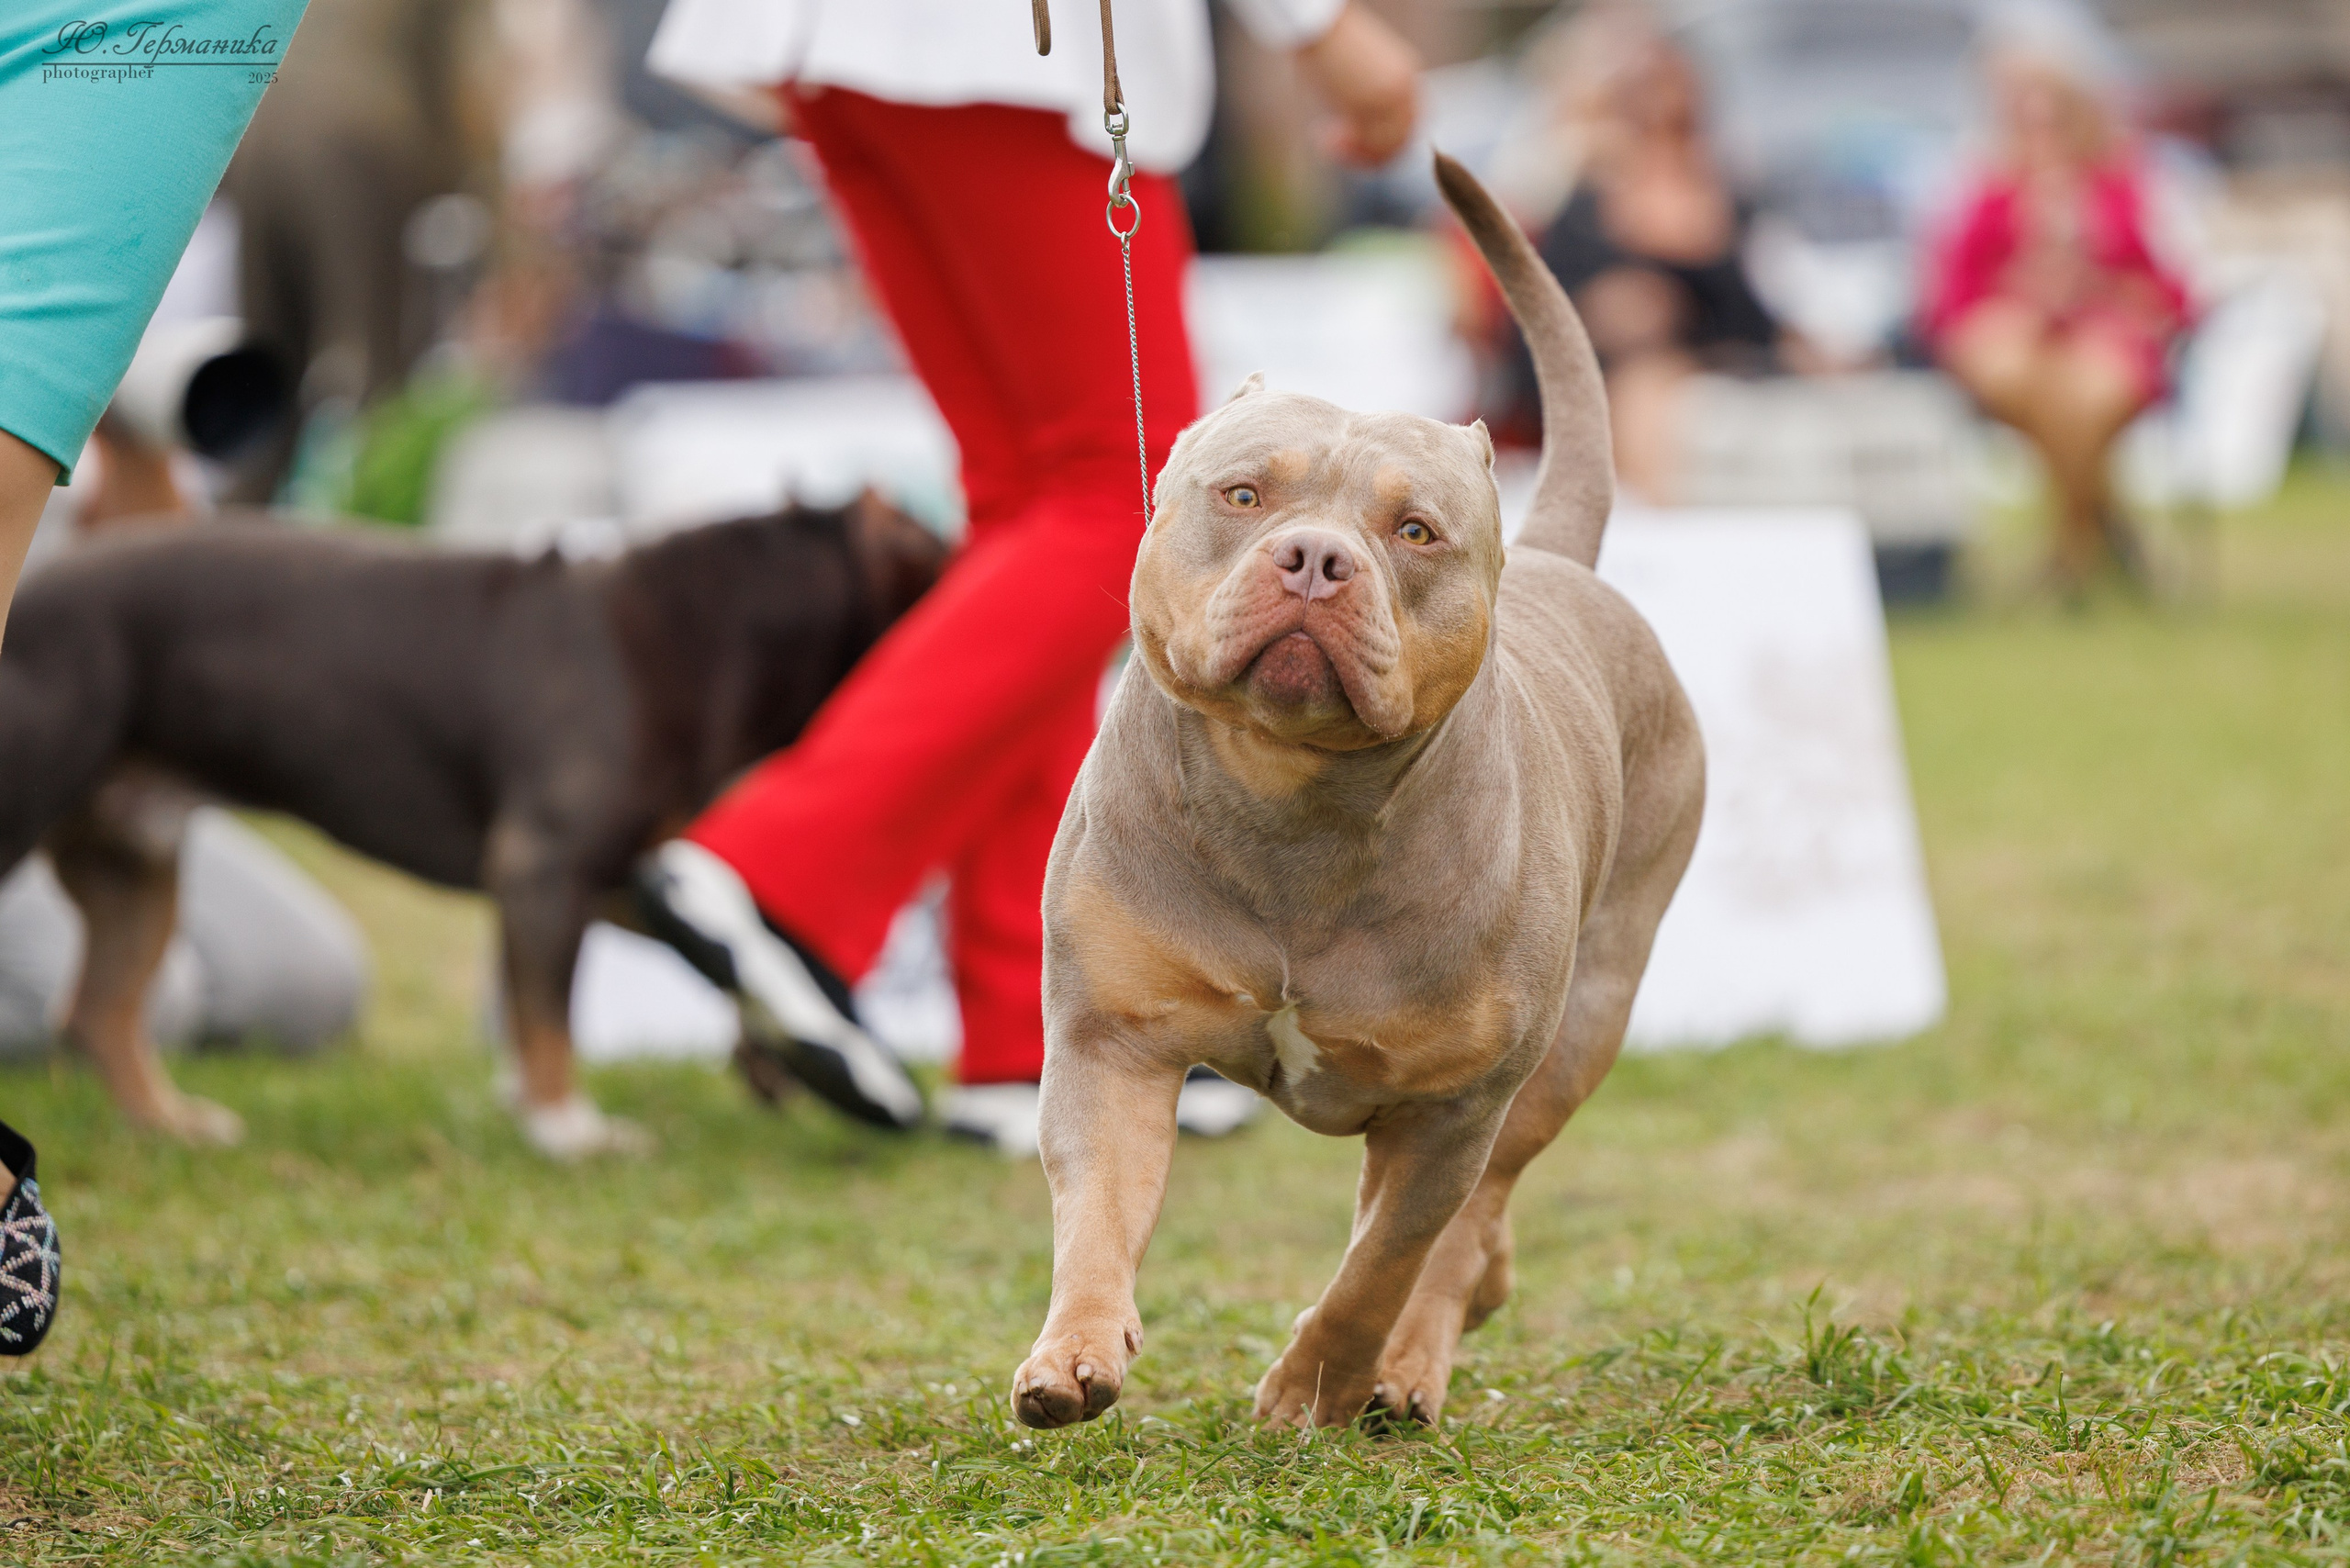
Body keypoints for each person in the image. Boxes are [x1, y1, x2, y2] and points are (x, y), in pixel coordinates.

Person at [631, 0, 1422, 1153]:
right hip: (1018, 43)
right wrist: (1326, 27)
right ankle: (780, 871)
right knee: (1124, 496)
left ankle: (1032, 1030)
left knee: (1038, 503)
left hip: (868, 43)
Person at [1921, 28, 2190, 590]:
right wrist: (2020, 294)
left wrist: (2097, 287)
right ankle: (2100, 535)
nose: (2042, 135)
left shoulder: (2119, 186)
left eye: (2053, 119)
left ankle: (2069, 553)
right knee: (2026, 375)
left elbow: (2170, 288)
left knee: (2087, 392)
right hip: (2019, 338)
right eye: (2027, 120)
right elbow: (1948, 293)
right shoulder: (1986, 191)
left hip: (2099, 332)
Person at [1501, 8, 1790, 500]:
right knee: (1646, 392)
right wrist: (1600, 311)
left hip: (1718, 364)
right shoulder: (1585, 204)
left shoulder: (1729, 198)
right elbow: (1533, 316)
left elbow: (1756, 310)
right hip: (1613, 376)